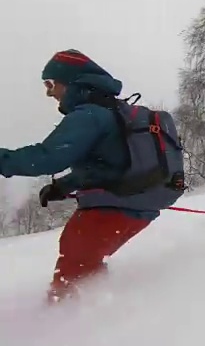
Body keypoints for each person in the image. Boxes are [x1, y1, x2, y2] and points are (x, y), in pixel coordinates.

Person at [0, 49, 176, 303]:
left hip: (112, 207)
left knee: (75, 262)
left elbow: (48, 157)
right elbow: (108, 165)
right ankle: (94, 311)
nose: (49, 92)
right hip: (140, 205)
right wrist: (63, 186)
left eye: (50, 84)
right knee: (83, 261)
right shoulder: (113, 110)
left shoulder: (89, 114)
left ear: (71, 80)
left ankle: (67, 324)